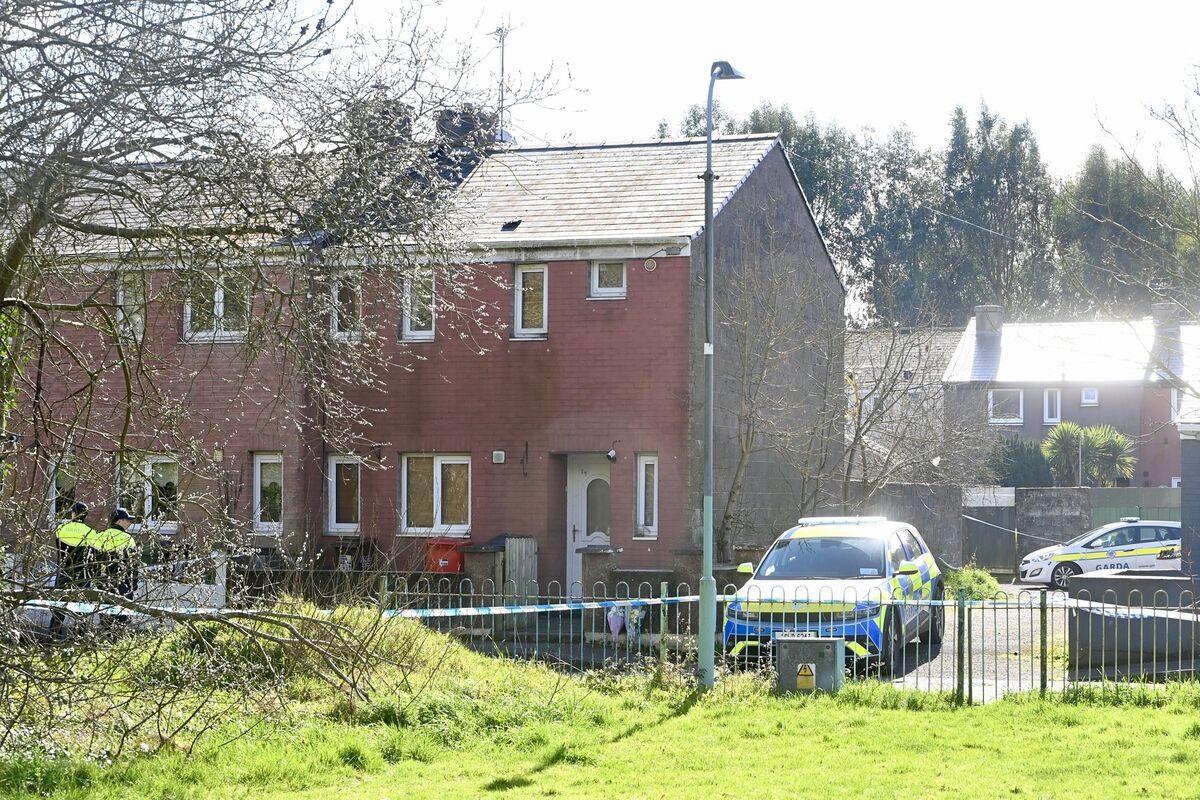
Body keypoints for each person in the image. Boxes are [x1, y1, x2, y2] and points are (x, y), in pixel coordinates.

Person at [94, 507, 140, 600]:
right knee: (122, 612)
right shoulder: (127, 539)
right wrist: (133, 584)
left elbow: (93, 562)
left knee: (105, 612)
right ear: (119, 521)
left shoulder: (99, 536)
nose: (129, 523)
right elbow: (133, 564)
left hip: (102, 585)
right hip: (122, 584)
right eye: (127, 520)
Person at [54, 501, 96, 589]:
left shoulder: (60, 529)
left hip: (63, 574)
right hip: (82, 577)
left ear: (73, 513)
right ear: (85, 515)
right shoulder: (91, 533)